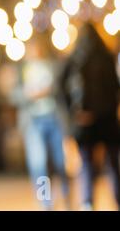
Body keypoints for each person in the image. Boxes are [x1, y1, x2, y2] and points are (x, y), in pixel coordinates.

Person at [60, 22, 120, 210]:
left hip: (85, 121)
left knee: (86, 165)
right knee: (112, 164)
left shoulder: (73, 58)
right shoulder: (106, 56)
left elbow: (60, 88)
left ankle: (87, 203)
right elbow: (115, 88)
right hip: (107, 119)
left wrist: (74, 113)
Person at [11, 37, 70, 210]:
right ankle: (45, 202)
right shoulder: (21, 70)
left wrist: (48, 90)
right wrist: (28, 94)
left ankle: (66, 197)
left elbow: (61, 88)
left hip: (54, 118)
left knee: (61, 162)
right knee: (39, 164)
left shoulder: (52, 65)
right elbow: (14, 94)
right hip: (33, 122)